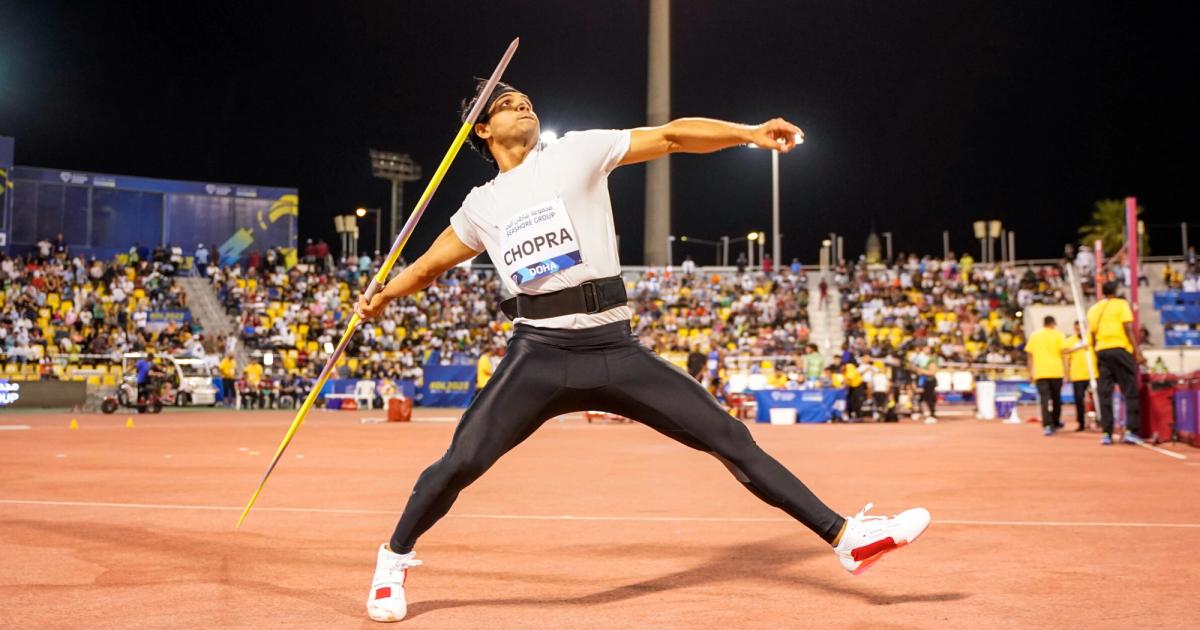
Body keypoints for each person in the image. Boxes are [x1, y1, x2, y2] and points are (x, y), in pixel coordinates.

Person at [353, 80, 930, 622]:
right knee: (462, 461)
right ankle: (392, 560)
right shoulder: (482, 205)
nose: (524, 106)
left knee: (729, 438)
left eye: (527, 100)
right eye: (508, 103)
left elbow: (673, 134)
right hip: (540, 354)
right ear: (480, 130)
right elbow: (428, 266)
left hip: (615, 348)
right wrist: (380, 297)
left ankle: (846, 538)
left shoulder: (576, 151)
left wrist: (748, 133)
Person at [1087, 281, 1144, 445]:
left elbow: (1091, 335)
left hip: (1101, 352)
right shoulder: (1121, 304)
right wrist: (1137, 352)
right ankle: (1131, 430)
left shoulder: (1094, 309)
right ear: (1116, 291)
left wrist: (1095, 355)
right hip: (1119, 350)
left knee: (1105, 394)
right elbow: (1128, 328)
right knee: (1130, 390)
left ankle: (1107, 433)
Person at [1024, 316, 1072, 436]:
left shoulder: (1035, 335)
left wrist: (1030, 372)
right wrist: (1066, 373)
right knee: (1056, 399)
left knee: (1044, 400)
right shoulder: (1059, 335)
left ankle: (1047, 425)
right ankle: (1055, 422)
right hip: (1056, 372)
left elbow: (1029, 356)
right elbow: (1064, 354)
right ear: (1053, 324)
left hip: (1040, 373)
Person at [1065, 322, 1096, 432]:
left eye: (1080, 328)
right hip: (1077, 375)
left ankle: (1098, 421)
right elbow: (1066, 356)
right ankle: (1081, 423)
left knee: (1096, 399)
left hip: (1092, 373)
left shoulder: (1091, 338)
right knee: (1079, 399)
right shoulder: (1070, 341)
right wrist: (1066, 374)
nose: (1078, 330)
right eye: (1076, 329)